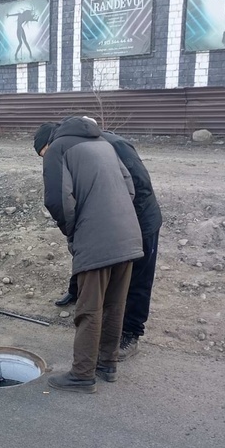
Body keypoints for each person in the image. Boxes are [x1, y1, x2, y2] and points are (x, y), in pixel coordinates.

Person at [34, 117, 143, 393]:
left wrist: (72, 232)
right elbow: (129, 186)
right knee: (115, 303)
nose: (44, 159)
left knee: (89, 308)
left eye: (41, 154)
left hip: (97, 238)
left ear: (47, 144)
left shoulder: (58, 149)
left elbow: (58, 199)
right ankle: (108, 364)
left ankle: (82, 374)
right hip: (128, 232)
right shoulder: (103, 142)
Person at [54, 127, 162, 361]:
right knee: (88, 257)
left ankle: (131, 333)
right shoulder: (82, 148)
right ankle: (75, 293)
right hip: (107, 220)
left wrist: (120, 219)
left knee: (137, 279)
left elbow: (140, 186)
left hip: (140, 221)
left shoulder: (115, 145)